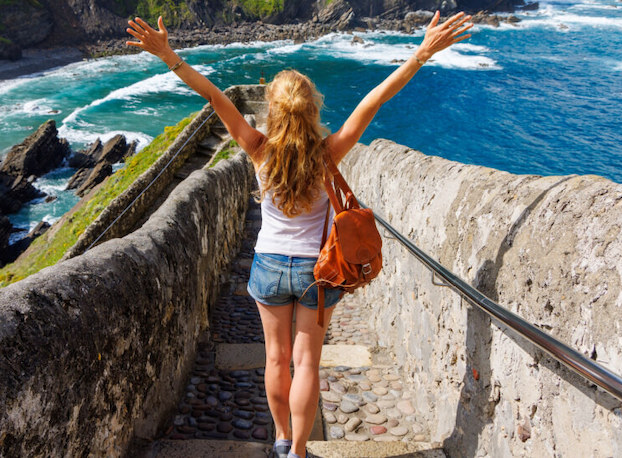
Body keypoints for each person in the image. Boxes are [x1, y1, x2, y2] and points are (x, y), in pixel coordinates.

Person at [127, 12, 472, 458]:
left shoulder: (256, 149)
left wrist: (167, 54)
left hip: (269, 265)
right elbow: (373, 102)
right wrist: (421, 54)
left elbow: (214, 96)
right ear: (313, 110)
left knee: (276, 359)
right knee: (308, 362)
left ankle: (279, 438)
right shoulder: (329, 153)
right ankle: (301, 452)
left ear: (272, 110)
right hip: (318, 271)